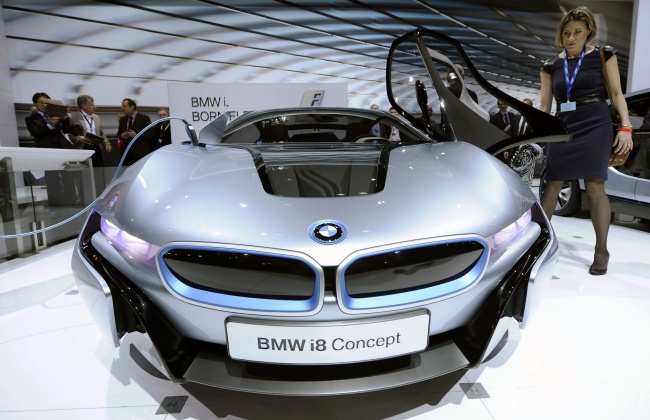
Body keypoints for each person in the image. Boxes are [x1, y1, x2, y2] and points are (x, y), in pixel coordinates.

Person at [539, 6, 633, 275]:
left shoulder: (603, 55)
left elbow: (617, 93)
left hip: (595, 123)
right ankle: (539, 246)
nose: (571, 38)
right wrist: (535, 136)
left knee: (594, 186)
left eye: (577, 32)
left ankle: (601, 250)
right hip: (562, 126)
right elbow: (544, 106)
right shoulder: (550, 66)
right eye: (566, 33)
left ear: (588, 32)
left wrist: (625, 127)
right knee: (551, 185)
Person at [24, 92, 77, 206]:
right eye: (41, 102)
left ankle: (71, 202)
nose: (44, 105)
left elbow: (66, 130)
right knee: (51, 178)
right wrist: (50, 125)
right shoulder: (31, 119)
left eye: (47, 103)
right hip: (47, 151)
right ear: (35, 104)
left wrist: (65, 116)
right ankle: (54, 205)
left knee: (68, 176)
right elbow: (36, 134)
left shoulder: (55, 114)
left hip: (62, 149)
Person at [117, 98, 155, 165]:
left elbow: (151, 134)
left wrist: (136, 135)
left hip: (140, 153)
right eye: (122, 106)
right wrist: (122, 135)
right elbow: (119, 134)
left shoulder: (144, 118)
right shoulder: (123, 119)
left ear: (132, 107)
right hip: (126, 154)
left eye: (124, 106)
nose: (122, 108)